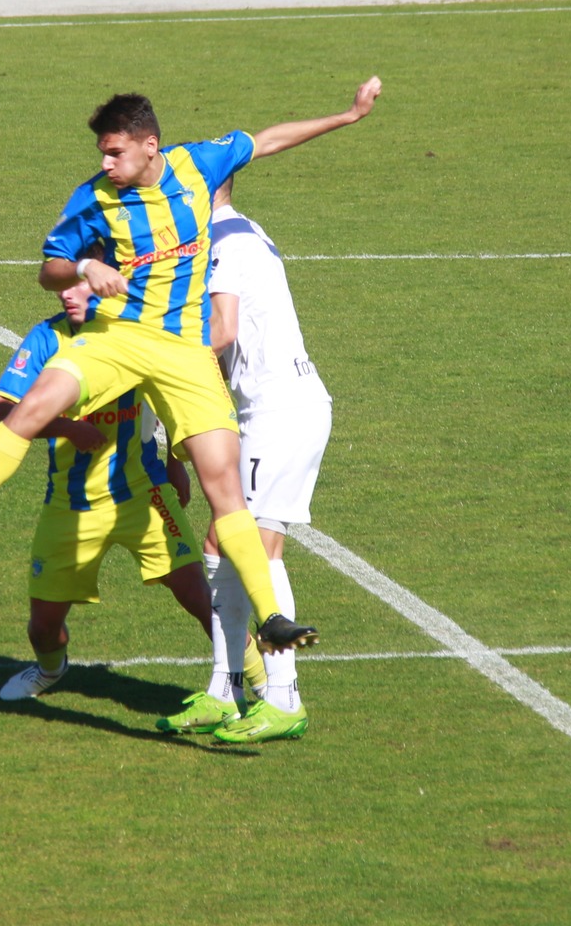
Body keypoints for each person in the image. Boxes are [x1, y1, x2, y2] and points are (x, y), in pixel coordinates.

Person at [0, 79, 384, 658]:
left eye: (115, 151)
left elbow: (269, 139)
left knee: (223, 487)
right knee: (31, 410)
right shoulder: (93, 197)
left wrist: (347, 117)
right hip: (118, 338)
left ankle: (272, 617)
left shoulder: (198, 165)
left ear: (150, 145)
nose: (106, 162)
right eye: (102, 151)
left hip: (182, 352)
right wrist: (80, 268)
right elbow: (47, 269)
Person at [0, 272, 229, 702]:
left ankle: (262, 685)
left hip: (144, 493)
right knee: (43, 627)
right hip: (70, 504)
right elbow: (0, 413)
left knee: (200, 598)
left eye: (76, 283)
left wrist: (174, 461)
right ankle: (49, 669)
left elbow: (168, 398)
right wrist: (66, 428)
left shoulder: (136, 334)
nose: (65, 293)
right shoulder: (47, 338)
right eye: (61, 285)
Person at [167, 176, 332, 742]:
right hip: (280, 406)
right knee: (224, 543)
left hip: (279, 411)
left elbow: (222, 329)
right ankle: (225, 689)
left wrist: (160, 356)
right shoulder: (246, 230)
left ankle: (281, 699)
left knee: (250, 548)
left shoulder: (225, 243)